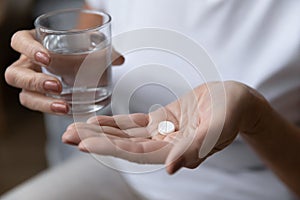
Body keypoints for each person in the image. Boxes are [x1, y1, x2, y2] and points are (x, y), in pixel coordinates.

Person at [2, 0, 300, 199]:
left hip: (258, 186)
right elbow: (91, 28)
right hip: (128, 171)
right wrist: (64, 62)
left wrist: (256, 117)